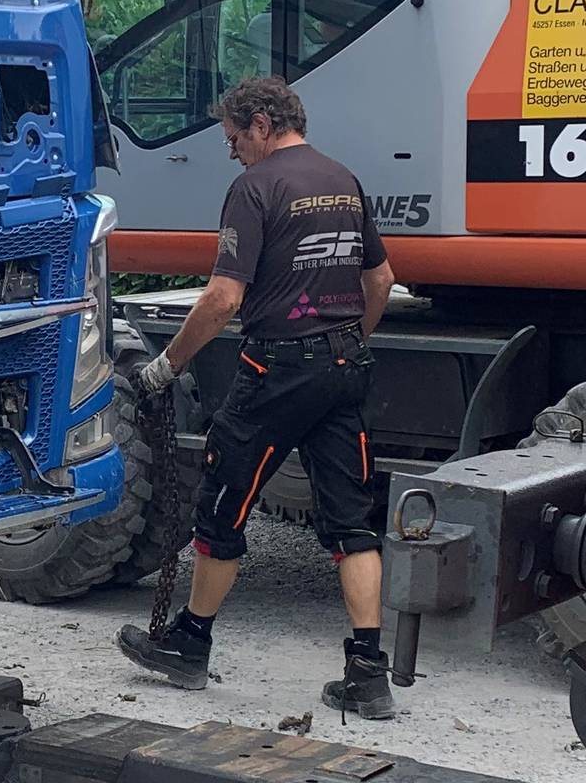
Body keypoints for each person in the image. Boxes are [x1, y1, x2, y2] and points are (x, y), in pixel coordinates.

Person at [114, 77, 400, 718]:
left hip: (276, 372)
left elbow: (222, 299)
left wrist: (165, 366)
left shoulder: (256, 187)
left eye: (235, 137)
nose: (233, 150)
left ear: (264, 124)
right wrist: (349, 341)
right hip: (345, 367)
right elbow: (379, 277)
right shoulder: (342, 180)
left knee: (221, 508)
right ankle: (367, 673)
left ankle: (189, 644)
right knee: (352, 523)